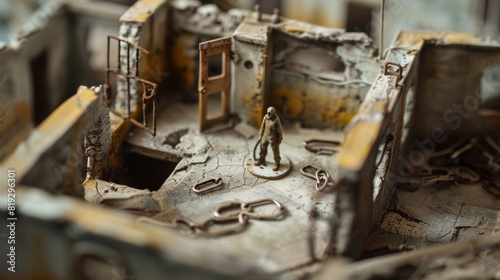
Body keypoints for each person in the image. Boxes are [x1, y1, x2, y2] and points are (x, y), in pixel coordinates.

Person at [255, 107, 283, 171]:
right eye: (268, 112)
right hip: (265, 135)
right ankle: (261, 159)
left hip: (273, 137)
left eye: (270, 112)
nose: (268, 114)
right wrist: (261, 134)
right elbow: (262, 126)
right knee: (263, 147)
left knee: (275, 150)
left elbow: (279, 130)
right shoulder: (265, 117)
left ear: (273, 112)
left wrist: (279, 138)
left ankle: (277, 162)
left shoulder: (276, 119)